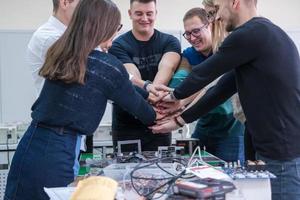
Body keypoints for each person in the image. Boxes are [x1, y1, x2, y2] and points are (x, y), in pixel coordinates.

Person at [5, 0, 158, 199]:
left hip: (34, 143)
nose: (116, 33)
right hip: (57, 151)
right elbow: (140, 108)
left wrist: (149, 93)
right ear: (104, 26)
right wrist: (166, 111)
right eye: (116, 27)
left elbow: (124, 87)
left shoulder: (64, 51)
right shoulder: (104, 65)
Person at [151, 0, 300, 199]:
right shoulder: (262, 35)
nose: (217, 18)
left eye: (218, 9)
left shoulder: (251, 33)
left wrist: (172, 96)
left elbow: (207, 71)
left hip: (281, 154)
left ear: (235, 2)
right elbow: (221, 89)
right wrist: (180, 119)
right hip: (269, 149)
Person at [26, 0, 93, 175]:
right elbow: (97, 74)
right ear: (64, 2)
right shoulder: (51, 38)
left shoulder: (69, 38)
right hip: (54, 136)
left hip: (68, 135)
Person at [170, 7, 245, 162]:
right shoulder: (189, 55)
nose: (192, 38)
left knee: (229, 177)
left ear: (210, 25)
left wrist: (180, 102)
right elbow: (180, 78)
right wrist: (164, 97)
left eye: (196, 31)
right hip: (204, 126)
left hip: (231, 130)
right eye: (188, 33)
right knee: (187, 166)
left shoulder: (227, 51)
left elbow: (211, 86)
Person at [108, 0, 181, 152]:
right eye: (139, 13)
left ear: (156, 13)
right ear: (130, 14)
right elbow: (131, 75)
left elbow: (167, 67)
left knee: (162, 171)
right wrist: (151, 93)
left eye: (149, 13)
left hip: (160, 121)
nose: (145, 18)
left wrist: (152, 95)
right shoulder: (117, 45)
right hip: (127, 125)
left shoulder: (170, 41)